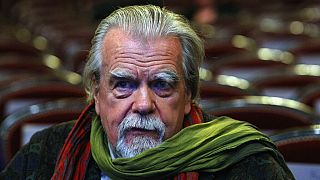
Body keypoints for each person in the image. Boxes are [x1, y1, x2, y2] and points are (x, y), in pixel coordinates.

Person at [1, 5, 294, 180]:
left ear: (190, 94)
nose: (143, 104)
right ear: (96, 92)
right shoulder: (45, 155)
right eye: (124, 84)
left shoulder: (248, 165)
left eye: (162, 85)